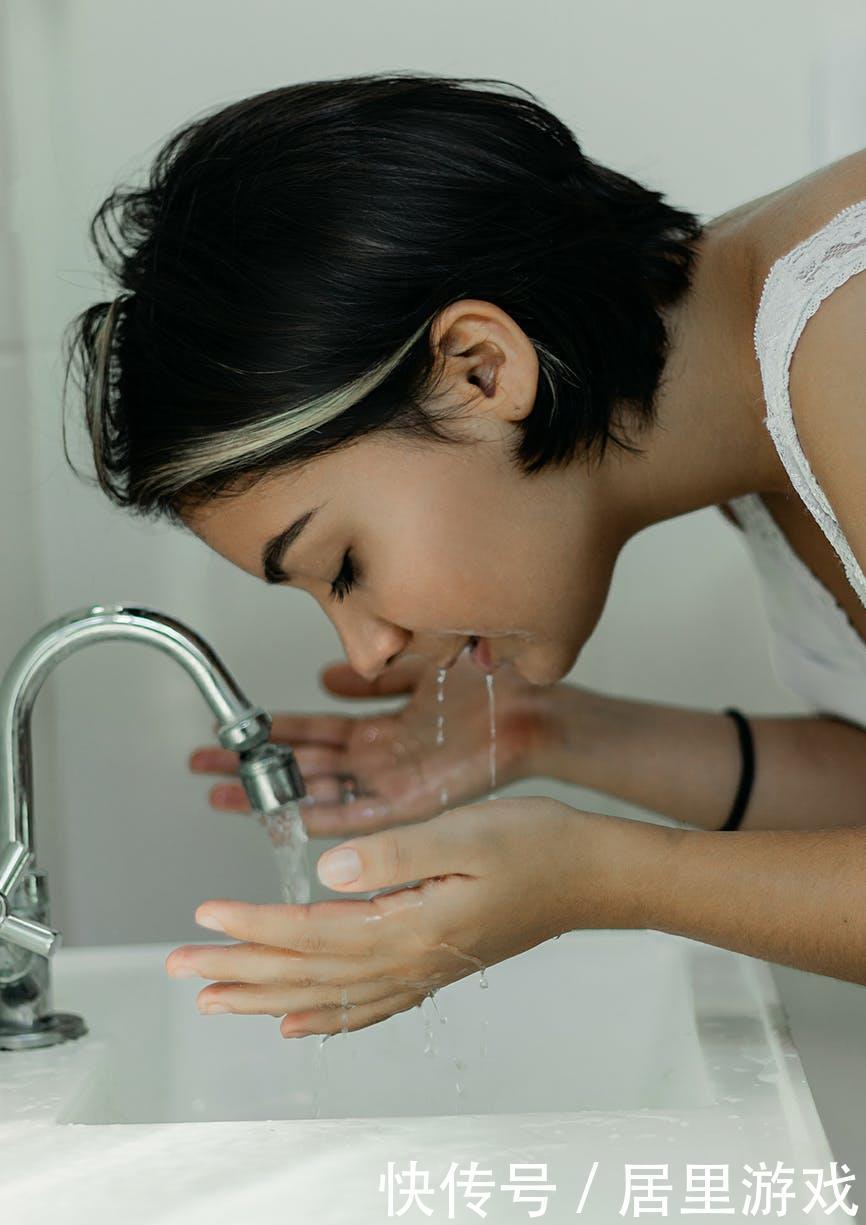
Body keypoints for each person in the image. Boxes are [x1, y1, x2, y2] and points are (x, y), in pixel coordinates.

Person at [62, 73, 866, 1039]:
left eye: (344, 564)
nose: (370, 651)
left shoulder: (849, 336)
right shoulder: (753, 403)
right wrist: (547, 734)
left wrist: (602, 875)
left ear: (482, 369)